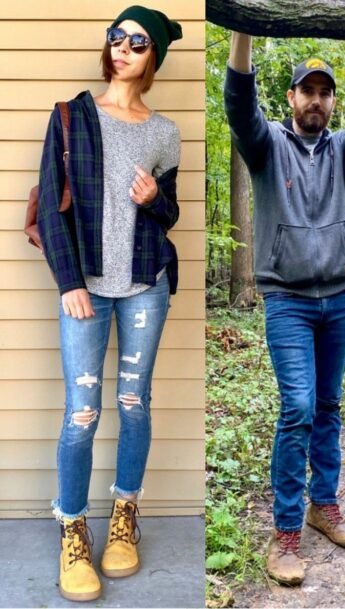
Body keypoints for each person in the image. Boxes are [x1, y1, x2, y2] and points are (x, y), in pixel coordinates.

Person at [223, 32, 345, 585]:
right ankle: (285, 536)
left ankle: (324, 507)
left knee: (327, 405)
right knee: (297, 408)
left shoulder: (343, 151)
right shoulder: (265, 146)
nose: (317, 100)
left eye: (326, 92)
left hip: (340, 300)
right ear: (292, 98)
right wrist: (242, 27)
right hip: (289, 303)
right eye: (308, 90)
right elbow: (238, 100)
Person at [36, 5, 182, 601]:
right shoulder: (71, 117)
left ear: (153, 59)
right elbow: (50, 203)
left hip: (146, 284)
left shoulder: (163, 132)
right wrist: (69, 282)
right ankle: (73, 528)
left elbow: (170, 214)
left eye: (138, 42)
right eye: (116, 37)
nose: (122, 47)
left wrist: (153, 199)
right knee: (82, 412)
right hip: (87, 290)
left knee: (134, 403)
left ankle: (124, 518)